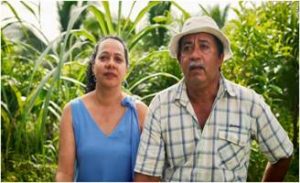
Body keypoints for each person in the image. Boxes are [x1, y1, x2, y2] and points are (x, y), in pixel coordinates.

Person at [134, 16, 293, 182]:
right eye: (187, 48)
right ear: (180, 59)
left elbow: (282, 154)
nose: (195, 55)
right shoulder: (161, 106)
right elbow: (146, 175)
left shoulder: (248, 103)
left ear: (220, 57)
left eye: (204, 46)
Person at [56, 36, 148, 182]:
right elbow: (64, 173)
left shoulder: (140, 113)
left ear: (126, 70)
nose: (111, 64)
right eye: (104, 58)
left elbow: (150, 173)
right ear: (93, 66)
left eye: (118, 59)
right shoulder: (72, 112)